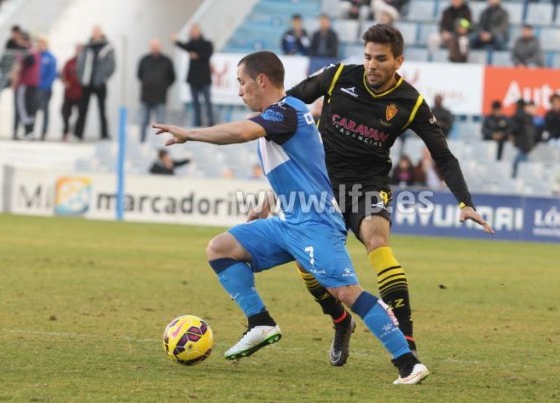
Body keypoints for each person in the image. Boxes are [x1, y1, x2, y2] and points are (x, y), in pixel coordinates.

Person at [152, 50, 430, 385]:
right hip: (290, 221)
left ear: (262, 80)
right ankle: (260, 322)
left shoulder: (286, 111)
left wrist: (190, 134)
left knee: (346, 291)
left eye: (241, 82)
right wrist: (268, 200)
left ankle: (407, 362)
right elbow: (302, 166)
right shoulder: (283, 116)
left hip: (316, 223)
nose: (240, 91)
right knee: (221, 248)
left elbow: (240, 133)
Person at [286, 24, 493, 365]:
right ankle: (340, 322)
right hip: (320, 183)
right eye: (367, 56)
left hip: (368, 184)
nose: (371, 65)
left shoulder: (410, 102)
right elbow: (289, 101)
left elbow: (443, 155)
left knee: (377, 241)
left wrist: (465, 202)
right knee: (305, 263)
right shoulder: (339, 75)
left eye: (381, 59)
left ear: (398, 61)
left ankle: (407, 340)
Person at [75, 25, 116, 141]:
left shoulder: (108, 47)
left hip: (100, 84)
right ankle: (78, 134)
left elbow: (111, 65)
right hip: (87, 83)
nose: (95, 34)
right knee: (82, 110)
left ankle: (104, 135)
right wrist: (81, 77)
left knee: (102, 110)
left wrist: (103, 78)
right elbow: (80, 63)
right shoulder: (87, 47)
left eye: (97, 32)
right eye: (94, 32)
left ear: (101, 33)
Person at [172, 24, 215, 127]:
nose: (193, 33)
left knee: (207, 102)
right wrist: (176, 41)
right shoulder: (191, 44)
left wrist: (197, 56)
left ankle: (210, 122)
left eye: (195, 31)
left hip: (204, 78)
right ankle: (197, 123)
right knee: (195, 104)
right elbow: (184, 46)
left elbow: (207, 55)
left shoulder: (207, 44)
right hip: (193, 79)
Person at [137, 39, 176, 143]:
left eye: (156, 45)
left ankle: (160, 144)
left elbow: (172, 77)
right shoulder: (144, 60)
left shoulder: (167, 61)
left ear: (160, 46)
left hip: (160, 96)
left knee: (161, 123)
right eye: (152, 46)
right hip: (146, 96)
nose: (154, 48)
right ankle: (142, 142)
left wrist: (163, 86)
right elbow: (139, 75)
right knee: (143, 121)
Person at [11, 38, 41, 141]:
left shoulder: (32, 53)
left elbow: (29, 62)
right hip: (26, 84)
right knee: (24, 109)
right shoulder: (25, 52)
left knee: (27, 109)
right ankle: (27, 131)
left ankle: (29, 131)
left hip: (29, 84)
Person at [36, 36, 58, 140]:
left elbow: (52, 74)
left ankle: (44, 132)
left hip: (45, 89)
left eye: (42, 43)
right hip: (35, 88)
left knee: (45, 110)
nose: (40, 45)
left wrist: (45, 85)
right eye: (39, 43)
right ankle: (31, 131)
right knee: (33, 110)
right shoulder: (36, 57)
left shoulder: (50, 57)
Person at [61, 44, 83, 141]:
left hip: (80, 93)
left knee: (80, 114)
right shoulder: (69, 62)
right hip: (69, 93)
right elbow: (63, 74)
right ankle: (66, 131)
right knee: (65, 113)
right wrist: (65, 81)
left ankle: (77, 133)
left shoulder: (85, 63)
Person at [510, 99, 536, 178]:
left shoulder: (516, 117)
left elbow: (513, 130)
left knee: (518, 168)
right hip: (526, 146)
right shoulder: (528, 118)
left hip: (521, 146)